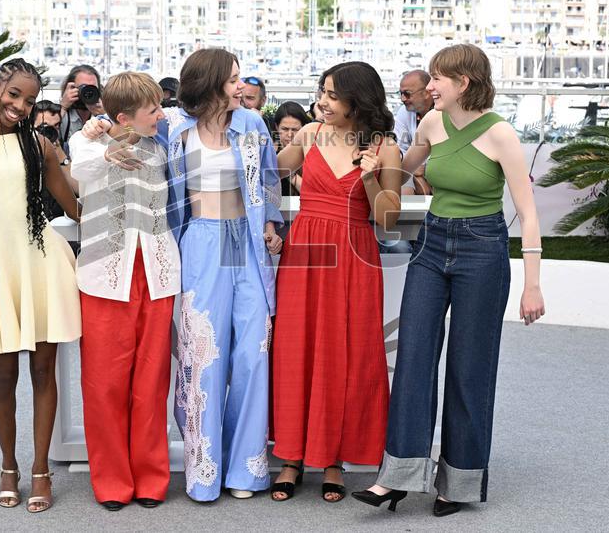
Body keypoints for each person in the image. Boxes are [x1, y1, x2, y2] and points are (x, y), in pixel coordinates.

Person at [352, 43, 545, 517]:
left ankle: (457, 483)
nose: (428, 87)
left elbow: (528, 212)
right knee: (415, 356)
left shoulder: (501, 134)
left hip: (483, 248)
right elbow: (406, 171)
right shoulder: (431, 124)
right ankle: (396, 478)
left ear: (466, 83)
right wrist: (376, 168)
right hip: (432, 245)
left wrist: (532, 284)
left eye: (438, 78)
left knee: (469, 368)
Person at [105, 48, 283, 502]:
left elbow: (267, 180)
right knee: (202, 354)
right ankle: (204, 469)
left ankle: (246, 469)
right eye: (233, 80)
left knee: (252, 353)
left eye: (241, 79)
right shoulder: (174, 129)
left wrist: (270, 221)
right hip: (199, 241)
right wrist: (99, 132)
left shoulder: (253, 124)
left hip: (245, 241)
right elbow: (123, 131)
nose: (241, 87)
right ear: (209, 84)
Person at [0, 58, 82, 514]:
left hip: (40, 266)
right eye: (14, 95)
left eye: (29, 100)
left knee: (43, 374)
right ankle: (9, 466)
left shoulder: (40, 146)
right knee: (2, 377)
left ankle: (41, 469)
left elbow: (73, 207)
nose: (20, 106)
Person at [270, 61, 403, 503]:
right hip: (305, 251)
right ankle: (290, 456)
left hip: (354, 254)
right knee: (297, 348)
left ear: (356, 100)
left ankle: (334, 460)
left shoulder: (385, 147)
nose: (322, 102)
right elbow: (266, 171)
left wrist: (368, 178)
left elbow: (388, 219)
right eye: (321, 92)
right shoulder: (308, 135)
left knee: (345, 353)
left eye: (332, 95)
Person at [69, 72, 181, 512]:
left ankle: (152, 477)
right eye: (151, 108)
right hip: (104, 279)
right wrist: (104, 141)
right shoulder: (87, 145)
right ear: (122, 116)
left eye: (159, 107)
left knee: (152, 383)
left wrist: (150, 120)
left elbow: (185, 113)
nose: (160, 113)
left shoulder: (162, 143)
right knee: (104, 385)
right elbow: (81, 169)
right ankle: (112, 480)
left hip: (157, 276)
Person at [393, 70, 434, 196]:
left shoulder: (444, 113)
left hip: (437, 169)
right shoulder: (404, 112)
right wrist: (417, 172)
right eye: (400, 93)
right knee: (402, 185)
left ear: (427, 93)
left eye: (407, 94)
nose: (402, 99)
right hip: (411, 169)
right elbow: (400, 148)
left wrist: (425, 169)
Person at [272, 101, 312, 196]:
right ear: (277, 127)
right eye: (285, 129)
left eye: (295, 129)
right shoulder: (269, 153)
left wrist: (290, 173)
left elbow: (312, 193)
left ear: (304, 128)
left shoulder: (310, 154)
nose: (290, 135)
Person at [59, 64, 105, 145]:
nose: (88, 92)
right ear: (71, 88)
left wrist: (105, 115)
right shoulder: (62, 114)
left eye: (92, 88)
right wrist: (63, 106)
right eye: (83, 87)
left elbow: (130, 132)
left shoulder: (109, 112)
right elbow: (44, 138)